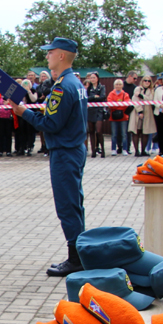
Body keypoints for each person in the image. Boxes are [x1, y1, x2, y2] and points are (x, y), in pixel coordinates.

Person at [10, 38, 87, 276]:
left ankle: (76, 259)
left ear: (62, 56)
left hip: (65, 152)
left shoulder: (63, 86)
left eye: (50, 52)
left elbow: (52, 124)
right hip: (73, 149)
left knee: (67, 206)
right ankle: (80, 254)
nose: (47, 56)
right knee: (74, 204)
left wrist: (24, 112)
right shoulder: (74, 83)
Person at [131, 75, 155, 156]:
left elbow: (151, 99)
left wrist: (141, 96)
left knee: (146, 132)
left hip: (148, 112)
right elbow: (135, 99)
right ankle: (136, 151)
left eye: (149, 81)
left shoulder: (151, 90)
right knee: (136, 131)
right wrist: (140, 111)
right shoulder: (138, 88)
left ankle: (143, 150)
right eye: (145, 80)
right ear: (142, 81)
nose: (147, 82)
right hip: (137, 112)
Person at [85, 72, 106, 158]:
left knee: (99, 131)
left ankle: (102, 150)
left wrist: (96, 97)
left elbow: (102, 97)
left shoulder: (102, 87)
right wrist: (94, 97)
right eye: (91, 78)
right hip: (90, 111)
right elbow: (87, 98)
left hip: (99, 111)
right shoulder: (89, 88)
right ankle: (93, 151)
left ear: (97, 78)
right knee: (91, 131)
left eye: (94, 77)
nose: (92, 79)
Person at [107, 79, 131, 155]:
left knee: (124, 134)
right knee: (114, 134)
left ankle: (125, 149)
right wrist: (119, 104)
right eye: (116, 84)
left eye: (119, 84)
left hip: (123, 117)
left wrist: (116, 105)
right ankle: (113, 149)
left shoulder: (125, 94)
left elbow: (126, 105)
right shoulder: (111, 94)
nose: (118, 86)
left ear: (122, 85)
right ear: (114, 85)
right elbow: (110, 104)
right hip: (113, 117)